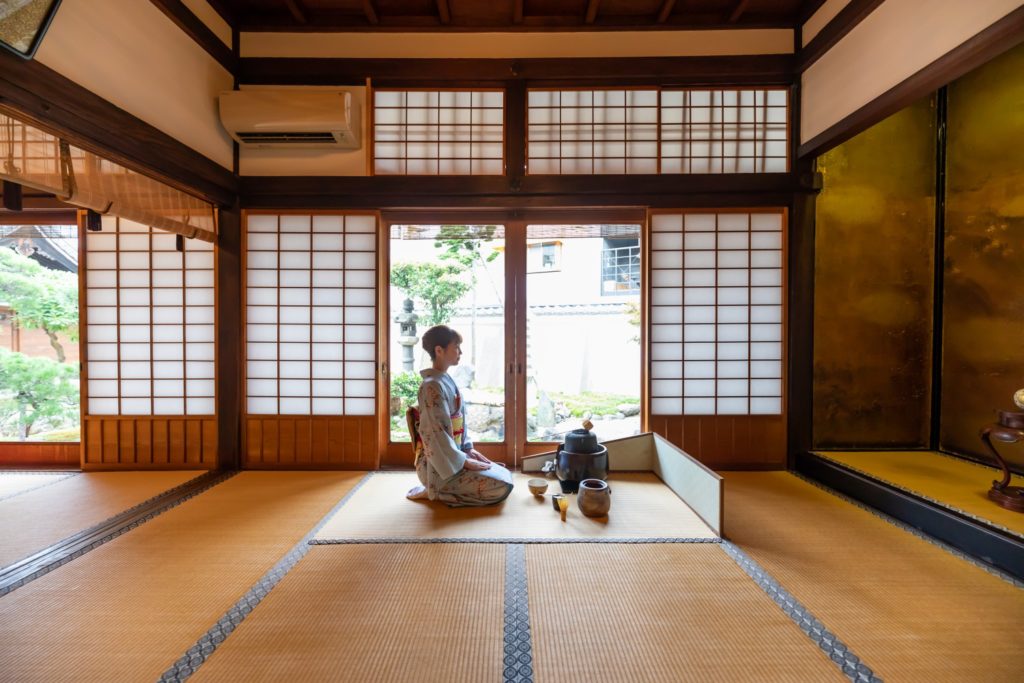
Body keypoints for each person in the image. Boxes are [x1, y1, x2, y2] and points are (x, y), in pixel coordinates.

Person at [406, 325, 514, 506]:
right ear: (439, 350)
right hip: (437, 467)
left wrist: (468, 449)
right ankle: (434, 490)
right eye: (456, 347)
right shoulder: (431, 386)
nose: (460, 352)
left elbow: (459, 423)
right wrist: (464, 462)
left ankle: (444, 487)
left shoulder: (445, 380)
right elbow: (435, 435)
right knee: (501, 486)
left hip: (454, 456)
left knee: (505, 474)